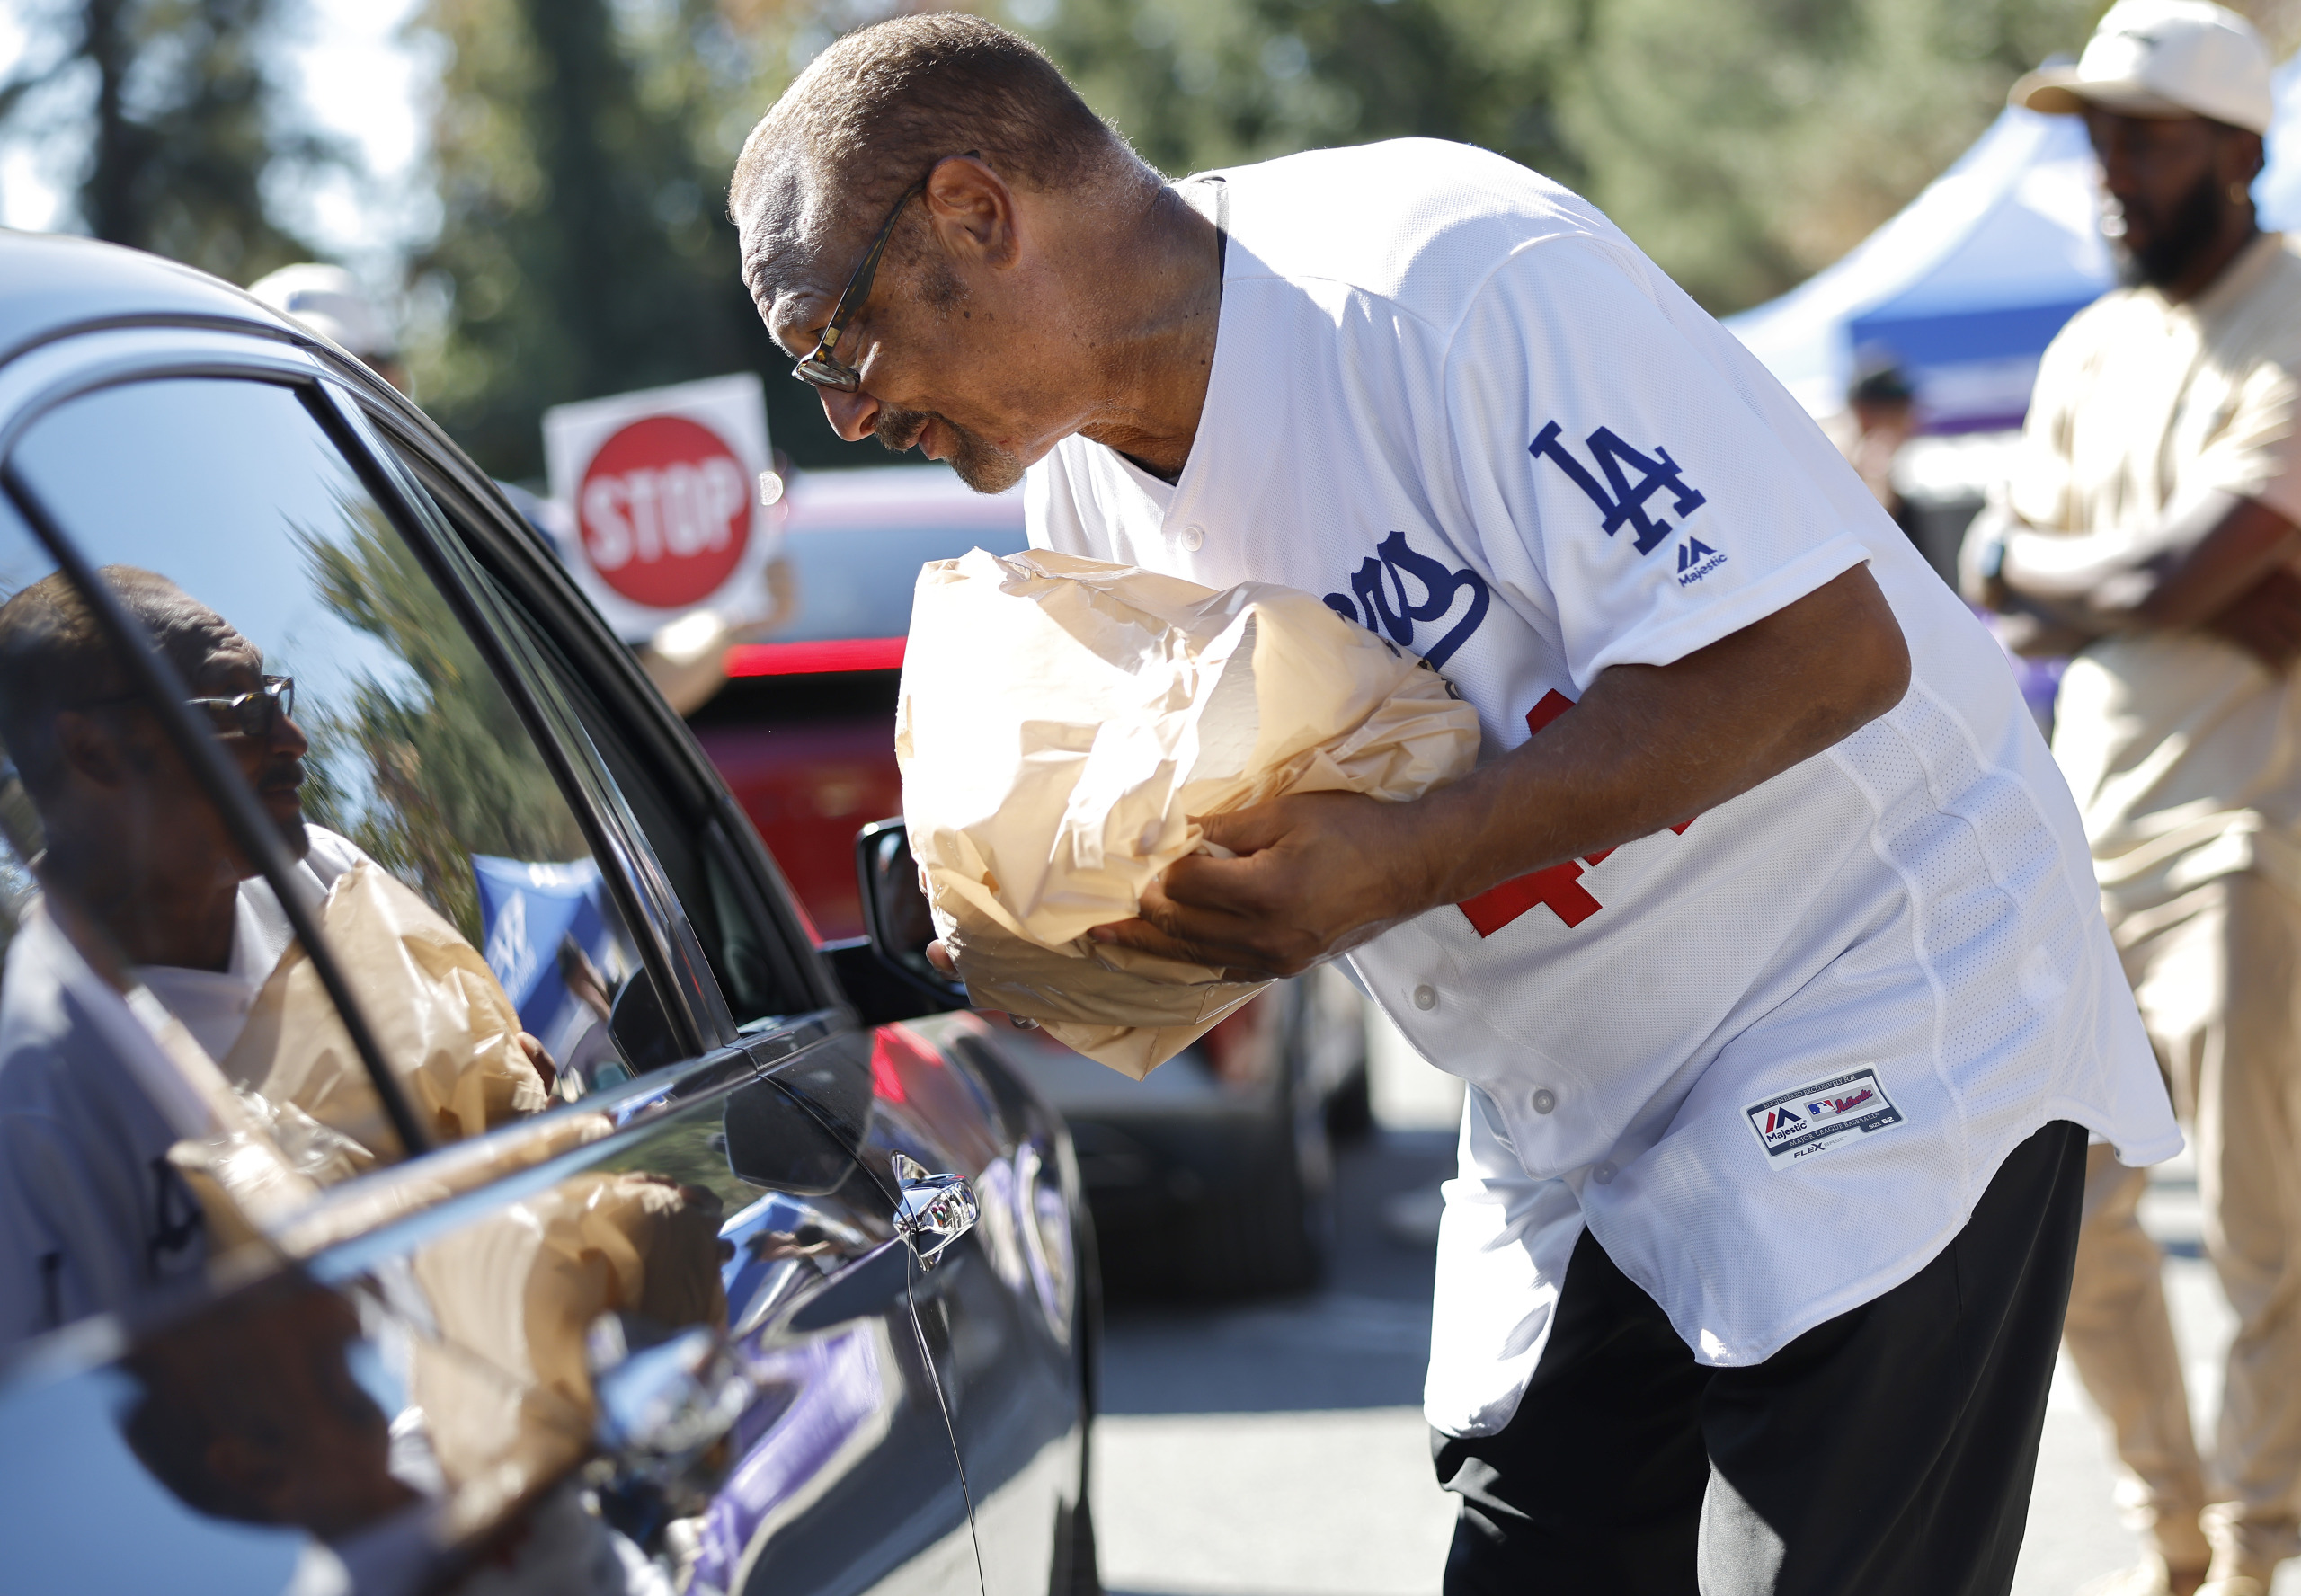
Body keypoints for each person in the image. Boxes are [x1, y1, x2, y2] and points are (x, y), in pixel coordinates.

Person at [729, 16, 2175, 1593]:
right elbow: (1263, 841)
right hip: (1580, 1117)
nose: (844, 414)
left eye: (833, 342)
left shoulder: (1447, 278)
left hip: (1872, 998)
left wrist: (1401, 859)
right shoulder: (1082, 483)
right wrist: (1073, 927)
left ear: (974, 215)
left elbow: (1821, 657)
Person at [1964, 6, 2301, 1594]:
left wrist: (2121, 581)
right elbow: (1987, 573)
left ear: (2242, 152)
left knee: (2261, 1238)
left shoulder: (2294, 314)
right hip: (2078, 843)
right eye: (2097, 132)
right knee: (2060, 1221)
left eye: (2149, 134)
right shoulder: (2089, 344)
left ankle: (2254, 1549)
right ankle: (2173, 1523)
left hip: (2253, 844)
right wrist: (2174, 590)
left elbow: (2126, 570)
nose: (2110, 168)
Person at [0, 567, 548, 1346]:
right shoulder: (40, 1097)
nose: (293, 739)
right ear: (94, 751)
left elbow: (500, 1104)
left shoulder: (323, 880)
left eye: (276, 698)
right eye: (240, 709)